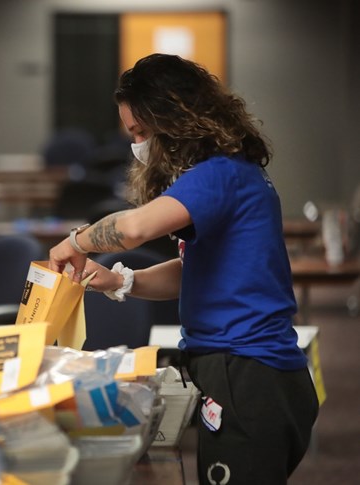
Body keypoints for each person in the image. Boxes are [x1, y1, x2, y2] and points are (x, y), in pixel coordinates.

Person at [49, 53, 318, 484]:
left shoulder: (219, 175)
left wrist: (75, 241)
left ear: (173, 121)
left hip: (247, 371)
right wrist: (122, 280)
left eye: (140, 131)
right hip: (251, 370)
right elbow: (195, 270)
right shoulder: (231, 173)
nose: (137, 145)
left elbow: (135, 228)